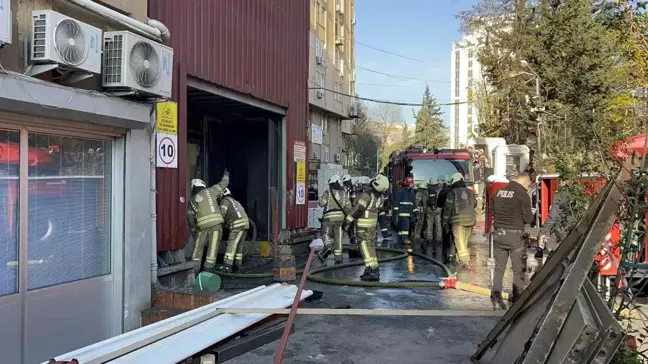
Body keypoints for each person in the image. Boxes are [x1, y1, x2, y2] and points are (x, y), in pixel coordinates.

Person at [489, 172, 535, 309]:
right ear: (525, 182)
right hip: (515, 236)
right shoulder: (522, 195)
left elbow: (492, 211)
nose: (528, 187)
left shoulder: (498, 192)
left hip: (499, 234)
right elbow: (528, 219)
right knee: (518, 270)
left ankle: (496, 295)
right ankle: (517, 299)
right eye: (528, 185)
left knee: (499, 268)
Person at [347, 173, 390, 281]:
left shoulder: (366, 195)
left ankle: (372, 270)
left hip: (363, 227)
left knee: (364, 248)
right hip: (372, 227)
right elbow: (379, 209)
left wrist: (347, 220)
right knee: (371, 248)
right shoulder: (380, 197)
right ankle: (372, 269)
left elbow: (358, 209)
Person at [187, 170, 230, 271]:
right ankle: (208, 270)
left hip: (202, 227)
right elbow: (223, 184)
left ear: (193, 188)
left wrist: (194, 231)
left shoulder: (192, 200)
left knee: (198, 248)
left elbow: (190, 217)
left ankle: (194, 271)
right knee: (212, 249)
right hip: (216, 225)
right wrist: (226, 175)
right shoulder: (210, 191)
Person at [442, 172, 477, 266]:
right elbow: (475, 204)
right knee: (464, 242)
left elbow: (448, 208)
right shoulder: (470, 191)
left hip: (458, 221)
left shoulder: (452, 192)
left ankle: (465, 262)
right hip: (470, 221)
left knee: (460, 243)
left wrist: (444, 221)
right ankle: (459, 261)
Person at [317, 175, 351, 263]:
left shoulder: (327, 192)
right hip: (340, 219)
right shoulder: (343, 193)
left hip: (328, 218)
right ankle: (338, 257)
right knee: (338, 238)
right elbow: (348, 207)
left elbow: (321, 203)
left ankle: (328, 247)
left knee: (326, 234)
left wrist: (320, 198)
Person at [218, 188, 249, 273]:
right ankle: (238, 265)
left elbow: (222, 215)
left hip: (237, 225)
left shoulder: (225, 201)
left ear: (222, 194)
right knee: (239, 246)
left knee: (231, 245)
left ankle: (227, 267)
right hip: (245, 224)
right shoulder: (235, 201)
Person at [538, 180, 572, 251]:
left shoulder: (561, 194)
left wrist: (542, 233)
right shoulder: (584, 194)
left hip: (562, 233)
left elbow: (553, 217)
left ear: (563, 182)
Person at [425, 177, 444, 260]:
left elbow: (426, 199)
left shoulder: (428, 189)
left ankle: (429, 239)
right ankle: (438, 239)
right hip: (438, 209)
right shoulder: (440, 188)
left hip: (430, 209)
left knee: (429, 224)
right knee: (438, 224)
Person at [394, 177, 416, 245]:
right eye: (412, 183)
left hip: (409, 214)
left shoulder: (411, 193)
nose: (413, 184)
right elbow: (396, 203)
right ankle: (404, 239)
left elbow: (413, 204)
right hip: (403, 213)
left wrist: (415, 213)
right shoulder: (401, 192)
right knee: (405, 227)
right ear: (408, 183)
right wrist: (396, 213)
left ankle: (400, 240)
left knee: (402, 228)